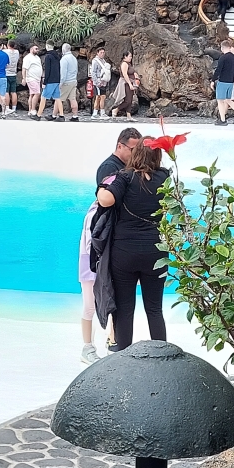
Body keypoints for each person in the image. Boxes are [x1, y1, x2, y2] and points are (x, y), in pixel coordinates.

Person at [95, 137, 170, 350]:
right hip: (155, 252)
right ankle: (161, 354)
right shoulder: (164, 177)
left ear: (135, 154)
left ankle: (124, 355)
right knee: (154, 309)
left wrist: (102, 187)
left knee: (125, 309)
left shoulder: (125, 177)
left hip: (124, 253)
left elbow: (106, 200)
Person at [78, 201, 100, 364]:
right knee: (89, 307)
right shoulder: (94, 213)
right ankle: (87, 347)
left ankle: (112, 343)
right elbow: (88, 245)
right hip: (90, 266)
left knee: (113, 306)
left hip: (104, 265)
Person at [212, 39, 234, 123]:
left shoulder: (223, 57)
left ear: (222, 48)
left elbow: (219, 70)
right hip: (230, 82)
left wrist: (213, 80)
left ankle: (222, 120)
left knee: (220, 101)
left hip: (223, 81)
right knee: (228, 100)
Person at [109, 51, 138, 117]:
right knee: (127, 100)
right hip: (125, 83)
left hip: (131, 82)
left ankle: (129, 115)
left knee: (130, 99)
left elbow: (132, 72)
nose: (131, 57)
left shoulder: (129, 64)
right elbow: (125, 74)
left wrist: (135, 75)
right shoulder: (124, 64)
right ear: (125, 56)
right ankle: (116, 109)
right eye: (130, 56)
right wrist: (130, 84)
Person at [89, 48, 114, 118]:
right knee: (98, 97)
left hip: (104, 82)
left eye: (103, 52)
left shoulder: (103, 61)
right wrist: (96, 82)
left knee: (103, 97)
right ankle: (95, 113)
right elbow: (93, 72)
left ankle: (102, 112)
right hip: (98, 82)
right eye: (101, 52)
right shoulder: (95, 61)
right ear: (97, 53)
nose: (102, 54)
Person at [59, 43, 80, 120]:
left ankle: (57, 115)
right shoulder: (74, 58)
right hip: (73, 81)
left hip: (66, 82)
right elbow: (76, 70)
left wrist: (60, 83)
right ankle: (75, 115)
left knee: (58, 99)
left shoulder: (64, 59)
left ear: (63, 50)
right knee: (73, 99)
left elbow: (63, 73)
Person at [23, 44, 46, 118]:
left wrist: (42, 76)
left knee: (32, 94)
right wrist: (24, 78)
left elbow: (40, 67)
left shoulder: (37, 58)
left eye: (38, 49)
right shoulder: (28, 58)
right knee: (37, 93)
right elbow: (24, 68)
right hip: (31, 78)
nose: (37, 50)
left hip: (37, 79)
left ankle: (30, 110)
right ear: (31, 49)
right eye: (36, 49)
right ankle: (33, 110)